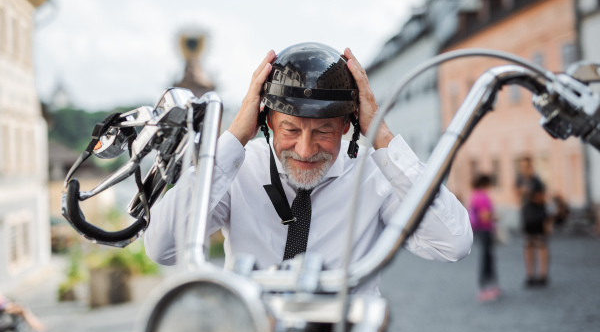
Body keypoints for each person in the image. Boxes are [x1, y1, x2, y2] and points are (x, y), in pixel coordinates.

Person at [145, 42, 473, 294]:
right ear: (266, 120)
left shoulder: (374, 176)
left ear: (348, 125)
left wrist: (382, 136)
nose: (305, 149)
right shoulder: (237, 169)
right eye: (290, 129)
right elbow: (163, 246)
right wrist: (234, 139)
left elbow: (453, 242)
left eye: (323, 131)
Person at [515, 156, 549, 287]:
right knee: (528, 246)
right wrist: (521, 192)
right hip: (526, 217)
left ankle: (543, 274)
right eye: (523, 166)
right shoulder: (520, 180)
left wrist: (529, 194)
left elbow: (542, 200)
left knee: (541, 245)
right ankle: (530, 275)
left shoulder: (537, 181)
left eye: (527, 166)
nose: (525, 169)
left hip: (539, 217)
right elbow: (516, 195)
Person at [468, 174, 500, 301]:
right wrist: (496, 217)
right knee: (487, 259)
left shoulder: (474, 195)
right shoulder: (483, 197)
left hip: (479, 231)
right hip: (485, 230)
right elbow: (484, 216)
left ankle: (488, 286)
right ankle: (487, 288)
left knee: (486, 258)